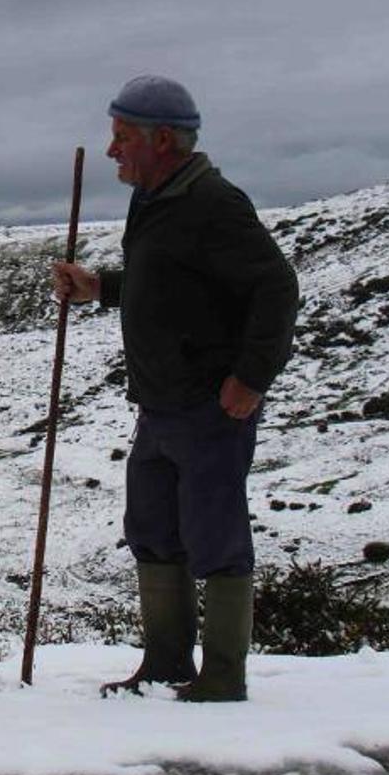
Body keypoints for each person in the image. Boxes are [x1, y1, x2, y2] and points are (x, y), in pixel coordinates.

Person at [52, 75, 298, 702]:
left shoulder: (214, 203)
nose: (111, 150)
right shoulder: (155, 198)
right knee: (153, 527)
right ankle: (165, 663)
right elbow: (164, 282)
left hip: (210, 404)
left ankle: (221, 675)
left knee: (214, 533)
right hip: (158, 403)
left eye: (121, 136)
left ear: (162, 140)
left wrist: (251, 379)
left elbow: (276, 287)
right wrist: (99, 288)